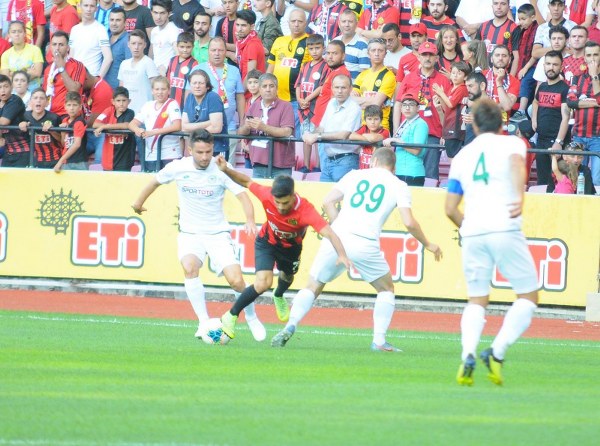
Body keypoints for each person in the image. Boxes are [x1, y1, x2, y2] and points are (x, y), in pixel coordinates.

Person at [271, 147, 442, 350]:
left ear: (373, 161)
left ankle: (291, 325)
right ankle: (378, 341)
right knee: (386, 289)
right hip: (364, 242)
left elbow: (328, 201)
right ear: (393, 167)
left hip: (337, 237)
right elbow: (409, 222)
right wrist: (429, 244)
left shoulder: (355, 174)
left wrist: (338, 227)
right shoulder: (399, 185)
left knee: (313, 286)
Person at [131, 129, 266, 342]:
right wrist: (138, 203)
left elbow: (243, 196)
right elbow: (154, 182)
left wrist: (250, 220)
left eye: (208, 152)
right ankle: (203, 321)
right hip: (190, 233)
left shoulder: (222, 168)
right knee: (189, 267)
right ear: (190, 149)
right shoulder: (178, 167)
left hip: (217, 233)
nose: (205, 157)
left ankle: (251, 316)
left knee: (237, 281)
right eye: (200, 152)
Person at [446, 98, 539, 386]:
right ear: (502, 123)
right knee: (528, 295)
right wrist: (519, 196)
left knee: (477, 299)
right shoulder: (511, 143)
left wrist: (469, 227)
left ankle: (467, 356)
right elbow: (515, 165)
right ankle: (496, 353)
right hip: (504, 226)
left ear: (473, 124)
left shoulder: (462, 156)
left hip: (473, 230)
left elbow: (449, 208)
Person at [214, 164, 351, 340]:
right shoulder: (266, 194)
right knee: (263, 283)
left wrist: (342, 255)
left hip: (291, 249)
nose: (280, 206)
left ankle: (278, 295)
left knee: (287, 277)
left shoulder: (306, 211)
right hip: (267, 243)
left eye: (285, 202)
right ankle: (230, 315)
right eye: (277, 202)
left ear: (293, 196)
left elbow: (330, 233)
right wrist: (226, 170)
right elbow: (246, 181)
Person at [396, 41, 451, 182]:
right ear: (418, 57)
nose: (427, 58)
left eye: (431, 55)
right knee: (405, 171)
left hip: (433, 132)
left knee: (430, 175)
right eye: (424, 55)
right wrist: (396, 130)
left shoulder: (443, 80)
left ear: (436, 58)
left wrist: (445, 132)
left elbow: (449, 110)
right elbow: (398, 104)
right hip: (408, 132)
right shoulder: (408, 77)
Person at [192, 37, 245, 163]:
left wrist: (242, 122)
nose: (217, 53)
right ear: (208, 51)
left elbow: (240, 97)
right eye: (213, 50)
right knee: (203, 165)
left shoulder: (234, 70)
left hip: (229, 127)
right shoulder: (198, 70)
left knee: (227, 168)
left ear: (226, 51)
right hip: (204, 127)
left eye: (220, 50)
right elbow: (190, 96)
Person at [303, 73, 362, 182]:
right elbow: (321, 127)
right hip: (328, 160)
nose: (339, 91)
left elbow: (344, 134)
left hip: (346, 161)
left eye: (343, 88)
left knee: (341, 198)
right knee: (324, 197)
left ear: (350, 89)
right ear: (332, 88)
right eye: (337, 87)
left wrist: (316, 136)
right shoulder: (331, 103)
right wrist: (310, 134)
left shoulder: (354, 108)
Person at [238, 73, 295, 178]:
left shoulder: (286, 106)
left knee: (280, 194)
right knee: (259, 193)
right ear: (259, 89)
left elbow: (287, 132)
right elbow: (241, 131)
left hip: (280, 164)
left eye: (271, 86)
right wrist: (247, 127)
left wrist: (263, 127)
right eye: (264, 86)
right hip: (258, 162)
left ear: (277, 89)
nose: (268, 89)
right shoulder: (253, 106)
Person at [267, 9, 311, 135]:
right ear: (288, 22)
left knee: (295, 136)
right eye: (293, 21)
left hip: (297, 100)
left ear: (305, 23)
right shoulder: (279, 41)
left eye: (300, 21)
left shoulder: (310, 42)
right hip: (276, 98)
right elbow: (270, 68)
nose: (296, 24)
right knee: (276, 134)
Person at [531, 50, 570, 186]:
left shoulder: (565, 89)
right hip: (541, 140)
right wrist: (534, 119)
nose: (551, 67)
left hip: (556, 141)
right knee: (542, 181)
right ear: (543, 66)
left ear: (561, 67)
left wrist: (559, 142)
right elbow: (535, 102)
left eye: (555, 64)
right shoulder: (542, 86)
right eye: (548, 64)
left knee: (559, 182)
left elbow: (566, 117)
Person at [128, 76, 182, 171]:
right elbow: (132, 124)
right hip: (151, 154)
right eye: (157, 89)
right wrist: (138, 130)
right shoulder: (147, 105)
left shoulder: (172, 104)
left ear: (169, 91)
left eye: (163, 89)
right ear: (152, 91)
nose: (160, 92)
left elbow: (177, 126)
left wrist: (153, 132)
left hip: (170, 153)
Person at [566, 40, 600, 185]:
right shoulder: (577, 78)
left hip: (598, 137)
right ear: (584, 57)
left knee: (596, 179)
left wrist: (594, 77)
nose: (592, 58)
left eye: (596, 55)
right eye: (589, 55)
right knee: (576, 177)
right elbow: (570, 101)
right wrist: (594, 102)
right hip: (578, 135)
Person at [295, 34, 330, 173]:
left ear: (323, 48)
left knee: (317, 136)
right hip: (302, 107)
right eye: (311, 48)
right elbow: (298, 84)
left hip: (316, 108)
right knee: (305, 136)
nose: (314, 51)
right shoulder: (305, 65)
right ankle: (306, 165)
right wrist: (299, 99)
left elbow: (321, 87)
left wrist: (307, 99)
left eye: (317, 48)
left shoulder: (326, 66)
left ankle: (319, 167)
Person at [383, 92, 429, 185]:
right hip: (399, 171)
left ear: (418, 108)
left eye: (411, 105)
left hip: (412, 173)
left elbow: (417, 150)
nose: (407, 108)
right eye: (404, 105)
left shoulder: (420, 124)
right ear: (401, 108)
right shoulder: (405, 122)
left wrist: (397, 141)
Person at [352, 38, 396, 131]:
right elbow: (350, 101)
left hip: (380, 127)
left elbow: (376, 104)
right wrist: (371, 100)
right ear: (368, 53)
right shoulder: (362, 74)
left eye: (380, 50)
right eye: (373, 50)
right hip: (361, 125)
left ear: (385, 54)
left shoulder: (389, 76)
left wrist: (359, 101)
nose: (376, 54)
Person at [182, 69, 228, 157]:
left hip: (216, 148)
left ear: (207, 86)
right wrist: (209, 122)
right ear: (190, 85)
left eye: (201, 83)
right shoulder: (190, 97)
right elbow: (184, 127)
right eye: (194, 83)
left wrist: (193, 129)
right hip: (197, 148)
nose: (197, 86)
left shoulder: (213, 97)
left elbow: (216, 128)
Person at [42, 30, 86, 119]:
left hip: (67, 115)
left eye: (61, 45)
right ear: (50, 47)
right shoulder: (48, 69)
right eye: (54, 44)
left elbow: (74, 90)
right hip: (49, 113)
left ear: (68, 48)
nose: (57, 48)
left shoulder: (77, 65)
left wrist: (61, 68)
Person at [433, 61, 470, 160]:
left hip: (456, 129)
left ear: (465, 77)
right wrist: (440, 96)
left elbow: (451, 103)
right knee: (451, 158)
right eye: (453, 73)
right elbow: (447, 108)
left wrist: (441, 92)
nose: (455, 76)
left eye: (459, 73)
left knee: (453, 159)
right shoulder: (451, 88)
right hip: (450, 127)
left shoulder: (462, 88)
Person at [93, 86, 137, 171]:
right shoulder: (108, 110)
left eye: (124, 100)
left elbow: (126, 125)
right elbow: (95, 124)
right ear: (112, 101)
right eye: (118, 100)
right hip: (108, 160)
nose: (121, 103)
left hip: (124, 159)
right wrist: (102, 126)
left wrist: (104, 126)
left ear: (129, 101)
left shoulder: (130, 113)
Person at [118, 29, 160, 115]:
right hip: (126, 112)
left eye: (140, 44)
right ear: (128, 44)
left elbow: (156, 89)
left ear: (145, 45)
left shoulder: (148, 62)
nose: (136, 47)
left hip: (144, 113)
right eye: (133, 43)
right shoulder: (124, 64)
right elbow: (121, 90)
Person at [510, 3, 539, 123]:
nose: (521, 22)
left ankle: (521, 111)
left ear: (532, 17)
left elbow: (535, 54)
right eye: (519, 19)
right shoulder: (519, 30)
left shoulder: (538, 29)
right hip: (522, 64)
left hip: (534, 64)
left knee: (526, 79)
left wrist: (525, 68)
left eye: (523, 19)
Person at [68, 0, 113, 78]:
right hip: (74, 77)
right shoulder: (74, 29)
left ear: (96, 8)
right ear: (79, 6)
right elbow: (71, 56)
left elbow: (108, 58)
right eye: (86, 6)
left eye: (92, 6)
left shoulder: (100, 30)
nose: (88, 9)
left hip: (91, 77)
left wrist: (97, 80)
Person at [20, 88, 62, 169]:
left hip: (54, 160)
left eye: (42, 98)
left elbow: (62, 140)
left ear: (47, 103)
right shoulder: (24, 116)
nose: (38, 100)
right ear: (30, 102)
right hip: (34, 161)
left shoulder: (54, 118)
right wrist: (21, 125)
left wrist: (52, 131)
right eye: (35, 98)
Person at [0, 21, 44, 90]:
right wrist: (27, 71)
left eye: (20, 31)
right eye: (13, 32)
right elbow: (6, 78)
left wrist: (13, 73)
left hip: (33, 94)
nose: (17, 34)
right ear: (9, 35)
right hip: (14, 95)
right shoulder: (5, 55)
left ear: (24, 33)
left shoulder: (35, 50)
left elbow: (37, 73)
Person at [0, 73, 29, 167]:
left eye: (6, 86)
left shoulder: (15, 100)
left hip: (23, 151)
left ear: (11, 87)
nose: (2, 90)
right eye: (0, 87)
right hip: (8, 152)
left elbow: (4, 121)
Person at [332, 8, 369, 82]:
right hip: (335, 89)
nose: (347, 25)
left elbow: (365, 73)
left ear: (356, 24)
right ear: (339, 24)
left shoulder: (363, 45)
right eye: (344, 21)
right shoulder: (335, 42)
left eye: (350, 22)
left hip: (353, 91)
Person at [56, 91, 89, 171]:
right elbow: (64, 144)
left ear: (80, 107)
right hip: (67, 161)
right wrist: (63, 131)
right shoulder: (65, 120)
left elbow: (77, 144)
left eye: (74, 105)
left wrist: (60, 161)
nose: (71, 108)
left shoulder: (79, 122)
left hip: (78, 162)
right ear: (65, 106)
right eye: (69, 105)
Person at [349, 104, 389, 169]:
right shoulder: (364, 128)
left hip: (377, 170)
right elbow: (351, 136)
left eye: (376, 119)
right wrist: (366, 137)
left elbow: (374, 138)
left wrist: (363, 135)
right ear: (365, 120)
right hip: (363, 169)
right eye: (369, 119)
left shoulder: (385, 131)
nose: (373, 122)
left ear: (381, 120)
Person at [166, 32, 198, 109]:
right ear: (177, 46)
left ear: (193, 46)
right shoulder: (172, 60)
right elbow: (167, 82)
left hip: (184, 106)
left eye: (188, 47)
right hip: (170, 104)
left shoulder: (194, 64)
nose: (185, 50)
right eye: (182, 47)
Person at [150, 0, 181, 76]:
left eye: (162, 13)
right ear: (151, 12)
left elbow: (179, 56)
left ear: (169, 13)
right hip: (156, 75)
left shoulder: (172, 30)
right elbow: (151, 55)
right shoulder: (154, 31)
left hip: (168, 75)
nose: (158, 17)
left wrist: (169, 70)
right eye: (155, 13)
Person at [235, 9, 266, 84]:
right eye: (237, 25)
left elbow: (251, 75)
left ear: (252, 27)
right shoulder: (245, 41)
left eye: (243, 25)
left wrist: (241, 93)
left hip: (250, 92)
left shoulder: (252, 44)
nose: (239, 29)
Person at [105, 7, 132, 90]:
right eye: (112, 20)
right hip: (103, 90)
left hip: (118, 93)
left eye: (118, 20)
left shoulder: (128, 40)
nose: (114, 23)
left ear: (125, 23)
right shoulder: (105, 39)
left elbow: (130, 68)